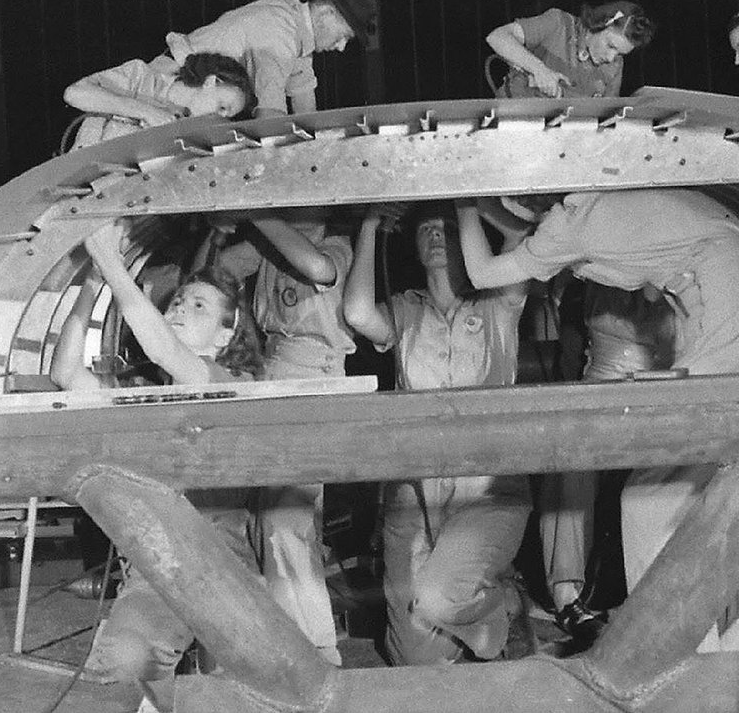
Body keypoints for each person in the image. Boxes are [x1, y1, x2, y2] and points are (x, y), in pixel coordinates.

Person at [456, 190, 739, 681]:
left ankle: (677, 655)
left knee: (649, 500)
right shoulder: (613, 203)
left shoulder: (572, 224)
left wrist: (457, 203)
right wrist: (485, 206)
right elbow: (527, 229)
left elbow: (484, 271)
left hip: (736, 327)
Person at [50, 219, 262, 713]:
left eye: (198, 305)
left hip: (219, 570)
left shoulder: (226, 380)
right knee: (124, 662)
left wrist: (109, 258)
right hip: (155, 570)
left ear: (227, 331)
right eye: (175, 302)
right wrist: (91, 287)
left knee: (243, 691)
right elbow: (66, 374)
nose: (179, 309)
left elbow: (163, 348)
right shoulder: (144, 396)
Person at [343, 203, 531, 665]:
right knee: (412, 659)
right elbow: (357, 311)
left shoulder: (497, 302)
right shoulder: (406, 309)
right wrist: (369, 224)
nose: (435, 237)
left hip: (486, 486)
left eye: (446, 230)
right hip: (416, 489)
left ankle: (501, 604)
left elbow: (518, 242)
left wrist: (466, 204)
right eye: (426, 229)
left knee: (437, 599)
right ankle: (471, 604)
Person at [205, 209, 357, 666]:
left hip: (313, 378)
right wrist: (217, 233)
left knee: (286, 517)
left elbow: (314, 267)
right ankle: (275, 636)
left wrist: (253, 210)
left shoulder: (336, 243)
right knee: (263, 519)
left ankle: (315, 650)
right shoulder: (267, 246)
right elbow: (218, 274)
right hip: (270, 371)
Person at [540, 283, 673, 642]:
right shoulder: (593, 275)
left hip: (661, 400)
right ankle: (566, 596)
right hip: (596, 395)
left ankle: (655, 596)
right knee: (570, 461)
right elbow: (568, 358)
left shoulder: (678, 273)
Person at [155, 0, 377, 118]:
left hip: (193, 93)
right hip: (167, 86)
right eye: (344, 36)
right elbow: (270, 118)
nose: (341, 47)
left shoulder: (295, 21)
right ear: (326, 12)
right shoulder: (280, 34)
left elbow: (305, 104)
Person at [63, 52, 255, 149]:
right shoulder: (140, 76)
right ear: (210, 82)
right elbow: (74, 93)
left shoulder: (189, 132)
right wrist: (147, 111)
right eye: (222, 107)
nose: (220, 118)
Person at [486, 0, 655, 99]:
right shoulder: (559, 24)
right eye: (611, 46)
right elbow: (497, 37)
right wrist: (540, 70)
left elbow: (606, 117)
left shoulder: (615, 65)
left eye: (619, 53)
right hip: (517, 120)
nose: (611, 58)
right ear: (598, 25)